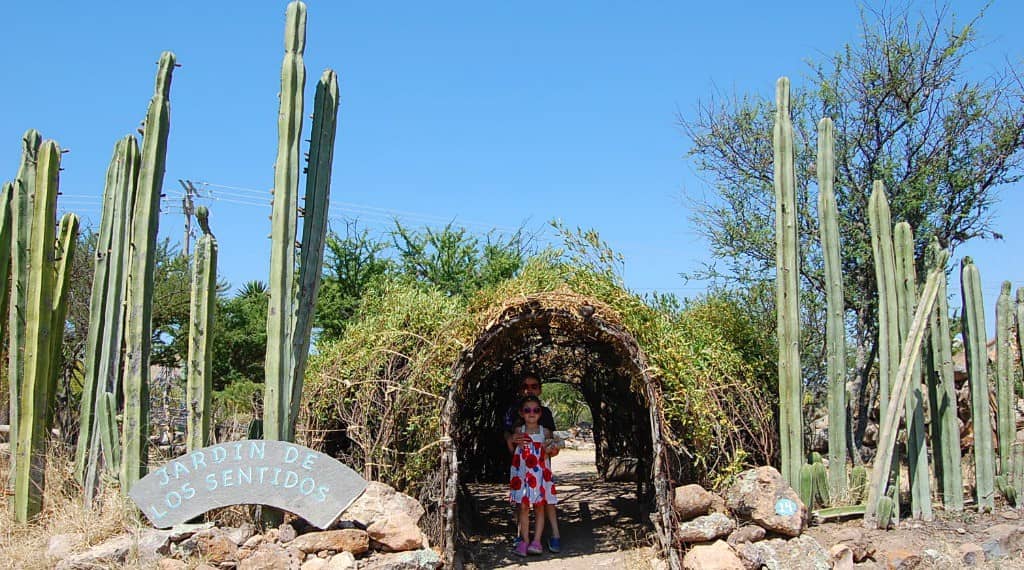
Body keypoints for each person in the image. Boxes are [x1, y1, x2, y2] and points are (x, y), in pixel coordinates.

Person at [504, 374, 562, 553]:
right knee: (523, 503)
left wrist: (552, 448)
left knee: (544, 502)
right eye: (525, 386)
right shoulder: (513, 413)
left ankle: (552, 535)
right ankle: (523, 538)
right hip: (523, 468)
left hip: (540, 466)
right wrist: (512, 441)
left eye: (534, 386)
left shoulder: (545, 417)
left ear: (540, 389)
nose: (529, 389)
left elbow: (551, 441)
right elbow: (507, 434)